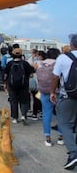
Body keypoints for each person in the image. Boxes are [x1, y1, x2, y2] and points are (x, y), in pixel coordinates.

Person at [50, 34, 77, 170]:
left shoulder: (64, 57)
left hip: (69, 96)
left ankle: (73, 153)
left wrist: (52, 92)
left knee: (65, 124)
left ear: (72, 44)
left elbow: (55, 77)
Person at [36, 48, 63, 147]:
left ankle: (48, 139)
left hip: (44, 92)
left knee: (46, 114)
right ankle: (61, 137)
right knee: (61, 114)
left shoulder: (40, 64)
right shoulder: (58, 64)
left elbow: (36, 78)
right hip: (57, 92)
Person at [4, 48, 35, 124]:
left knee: (13, 101)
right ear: (21, 55)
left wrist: (5, 83)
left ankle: (15, 118)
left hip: (12, 85)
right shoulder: (25, 63)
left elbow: (5, 75)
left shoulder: (9, 63)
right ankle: (23, 115)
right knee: (24, 100)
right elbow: (31, 74)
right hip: (23, 85)